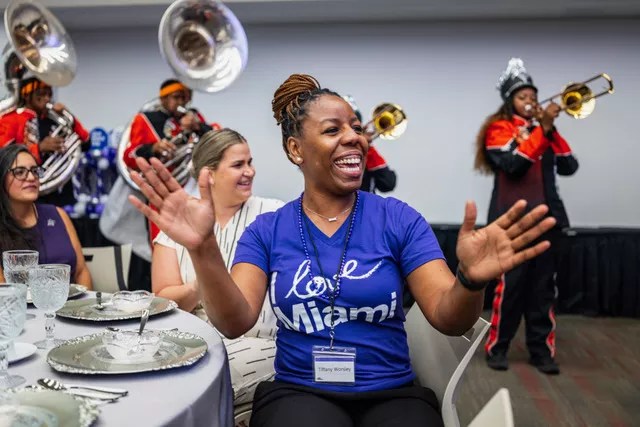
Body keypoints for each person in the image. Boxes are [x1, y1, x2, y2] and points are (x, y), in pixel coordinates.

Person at [129, 73, 555, 427]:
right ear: (295, 149)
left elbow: (448, 317)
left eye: (354, 126)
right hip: (300, 388)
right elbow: (235, 320)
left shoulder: (399, 219)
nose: (354, 137)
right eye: (334, 130)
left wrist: (470, 280)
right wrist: (203, 249)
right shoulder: (268, 229)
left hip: (392, 391)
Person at [152, 128, 283, 406]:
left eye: (250, 162)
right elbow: (162, 300)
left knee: (194, 389)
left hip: (259, 344)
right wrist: (206, 277)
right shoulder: (180, 222)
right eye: (238, 165)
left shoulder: (274, 215)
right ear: (207, 175)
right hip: (188, 343)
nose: (250, 171)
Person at [474, 58, 579, 375]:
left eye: (533, 96)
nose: (531, 102)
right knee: (510, 287)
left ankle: (541, 352)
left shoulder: (543, 131)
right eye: (523, 97)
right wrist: (541, 129)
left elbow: (570, 165)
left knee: (544, 289)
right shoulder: (499, 129)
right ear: (510, 102)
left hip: (548, 221)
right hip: (512, 223)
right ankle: (497, 348)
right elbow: (513, 165)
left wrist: (550, 130)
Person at [121, 78, 215, 242]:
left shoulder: (193, 116)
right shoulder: (145, 119)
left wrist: (198, 126)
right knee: (162, 242)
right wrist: (153, 148)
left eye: (185, 98)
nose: (182, 102)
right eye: (177, 97)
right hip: (161, 192)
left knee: (198, 239)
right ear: (163, 98)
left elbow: (216, 143)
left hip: (193, 189)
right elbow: (129, 156)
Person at [0, 144, 92, 288]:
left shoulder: (58, 214)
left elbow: (81, 271)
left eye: (35, 170)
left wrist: (85, 306)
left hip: (71, 306)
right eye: (19, 172)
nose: (31, 177)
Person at [0, 76, 90, 207]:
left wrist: (70, 116)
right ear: (27, 95)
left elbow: (87, 143)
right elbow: (3, 155)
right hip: (25, 195)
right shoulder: (11, 119)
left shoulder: (57, 119)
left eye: (49, 94)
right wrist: (39, 148)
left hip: (60, 193)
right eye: (41, 94)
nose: (47, 98)